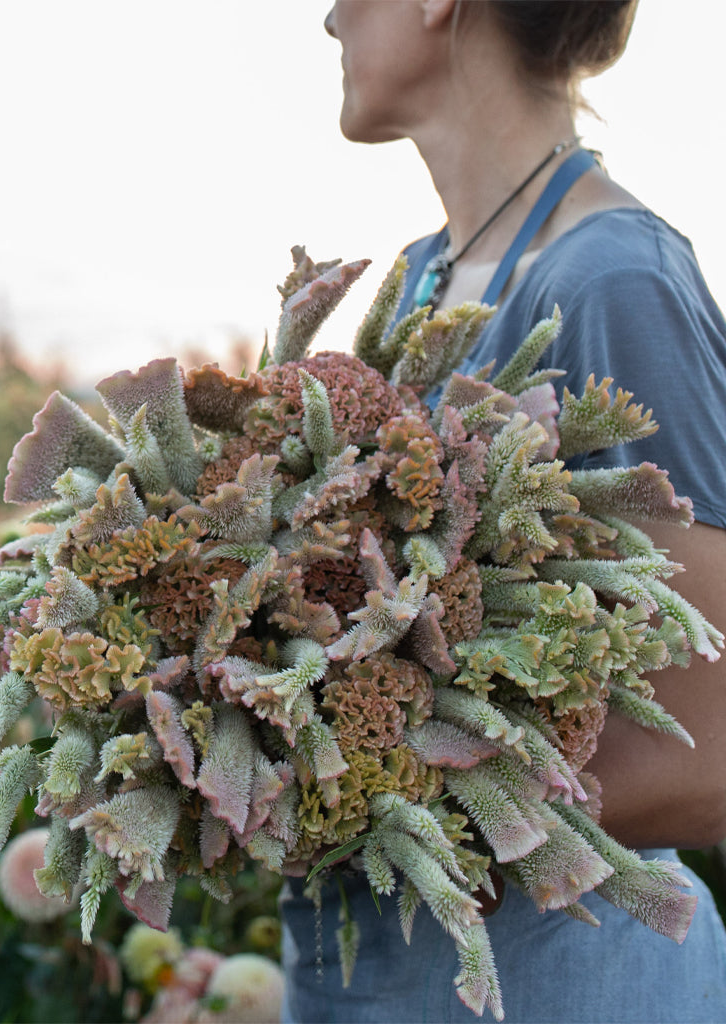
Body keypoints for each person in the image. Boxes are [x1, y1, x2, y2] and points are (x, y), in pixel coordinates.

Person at [281, 2, 726, 1021]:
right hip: (384, 977)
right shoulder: (419, 284)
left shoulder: (615, 279)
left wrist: (318, 789)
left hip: (564, 982)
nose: (330, 17)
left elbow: (710, 753)